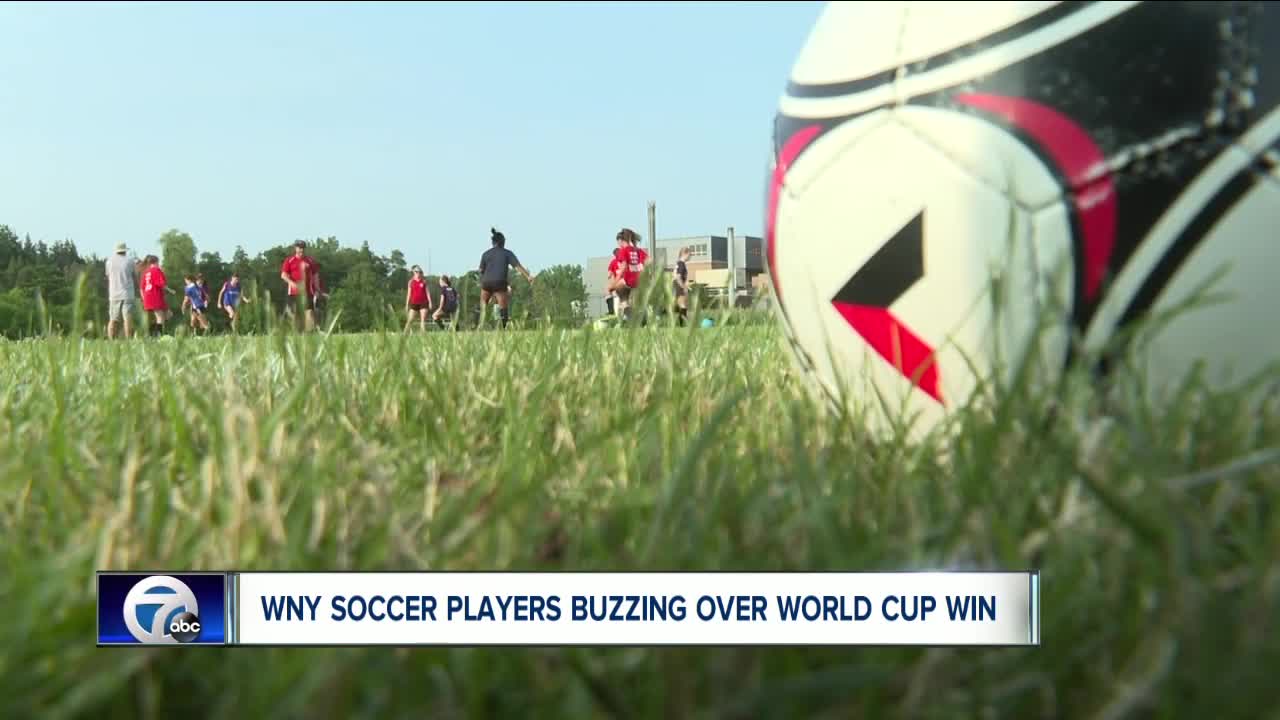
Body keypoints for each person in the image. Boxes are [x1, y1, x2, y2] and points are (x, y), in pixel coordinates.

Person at [478, 228, 533, 329]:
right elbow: (518, 267)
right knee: (503, 307)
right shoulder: (507, 253)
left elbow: (481, 270)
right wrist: (528, 276)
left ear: (493, 242)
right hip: (500, 282)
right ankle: (504, 327)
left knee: (483, 305)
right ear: (503, 242)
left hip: (486, 282)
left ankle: (480, 326)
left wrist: (483, 280)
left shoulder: (485, 254)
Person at [280, 240, 321, 331]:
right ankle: (297, 334)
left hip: (307, 292)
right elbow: (283, 275)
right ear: (295, 248)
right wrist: (291, 283)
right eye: (299, 247)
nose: (301, 250)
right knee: (294, 316)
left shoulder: (310, 261)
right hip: (294, 292)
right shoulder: (289, 260)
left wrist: (317, 290)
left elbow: (315, 275)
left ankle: (309, 334)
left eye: (302, 248)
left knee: (309, 313)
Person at [104, 242, 138, 339]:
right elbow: (135, 276)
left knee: (113, 319)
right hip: (128, 293)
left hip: (114, 294)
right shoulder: (130, 261)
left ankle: (111, 339)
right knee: (127, 318)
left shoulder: (109, 261)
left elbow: (108, 276)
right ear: (125, 250)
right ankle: (129, 340)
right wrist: (138, 289)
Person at [140, 255, 174, 336]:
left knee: (168, 314)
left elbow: (141, 288)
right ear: (156, 262)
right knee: (160, 316)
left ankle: (151, 332)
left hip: (148, 296)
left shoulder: (146, 272)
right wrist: (170, 290)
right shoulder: (157, 270)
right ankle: (160, 335)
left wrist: (144, 298)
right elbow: (161, 284)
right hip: (155, 295)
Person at [404, 265, 432, 332]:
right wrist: (407, 304)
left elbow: (427, 293)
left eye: (419, 272)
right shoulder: (411, 282)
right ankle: (404, 334)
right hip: (414, 303)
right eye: (416, 272)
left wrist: (430, 302)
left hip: (423, 303)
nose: (418, 273)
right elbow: (409, 294)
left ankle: (424, 336)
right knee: (410, 320)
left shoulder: (424, 282)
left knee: (423, 320)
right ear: (413, 272)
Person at [672, 245, 691, 326]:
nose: (690, 257)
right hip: (679, 285)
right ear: (685, 254)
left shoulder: (678, 263)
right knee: (683, 305)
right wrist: (683, 287)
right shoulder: (681, 264)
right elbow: (678, 276)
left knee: (682, 305)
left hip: (677, 285)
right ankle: (683, 324)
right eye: (689, 255)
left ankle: (684, 323)